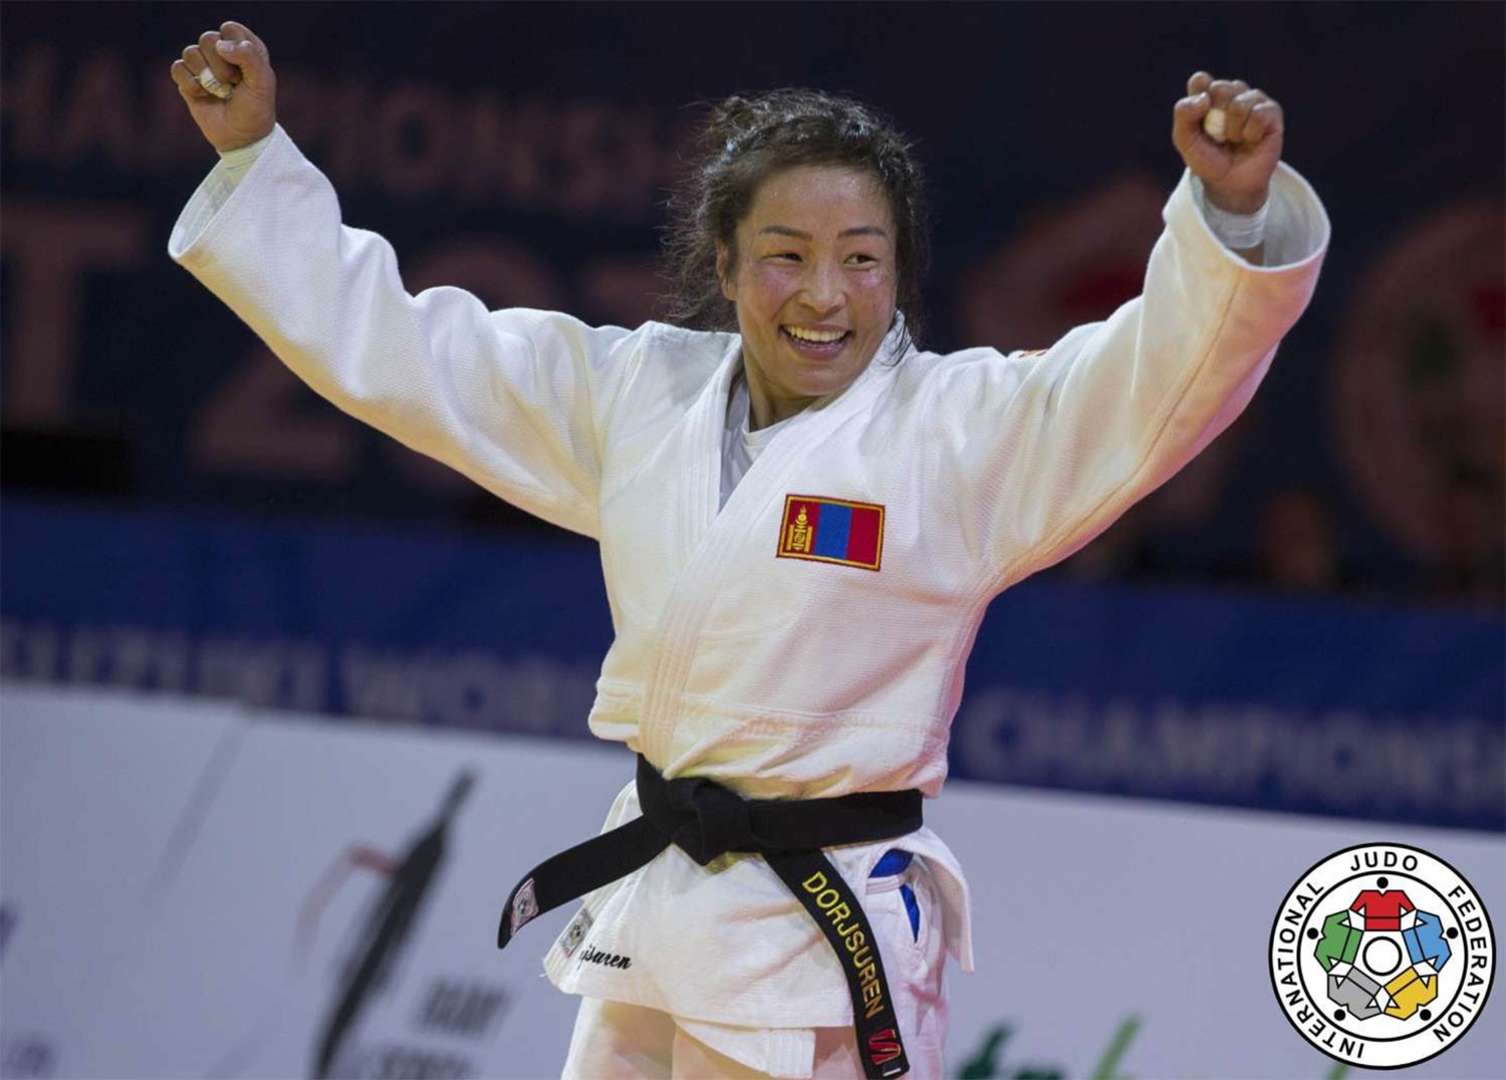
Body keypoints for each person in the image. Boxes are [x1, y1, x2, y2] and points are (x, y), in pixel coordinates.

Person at [168, 20, 1329, 1079]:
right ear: (723, 268)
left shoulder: (956, 438)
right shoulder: (641, 397)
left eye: (862, 258)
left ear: (898, 272)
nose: (825, 295)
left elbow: (1151, 386)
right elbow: (412, 353)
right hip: (658, 908)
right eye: (786, 254)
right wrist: (256, 161)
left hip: (818, 944)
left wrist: (1227, 223)